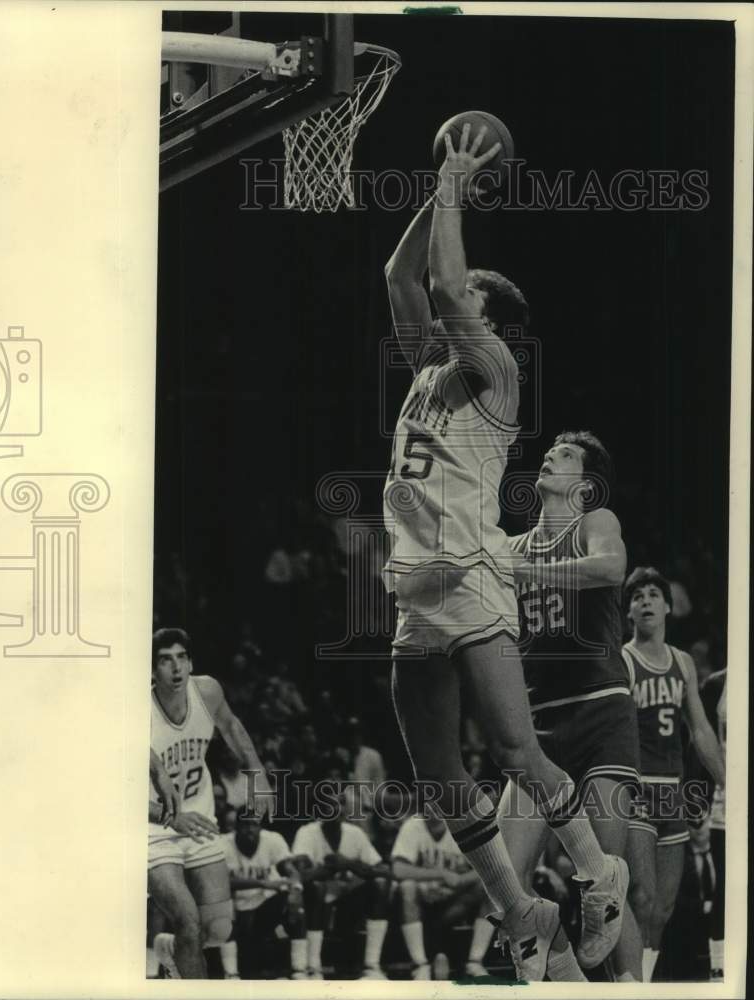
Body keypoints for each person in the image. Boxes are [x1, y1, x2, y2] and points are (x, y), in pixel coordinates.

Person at [382, 120, 628, 981]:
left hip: (479, 577)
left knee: (517, 755)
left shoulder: (497, 375)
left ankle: (600, 875)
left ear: (492, 322)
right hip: (416, 586)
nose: (459, 299)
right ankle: (521, 910)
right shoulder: (426, 369)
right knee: (442, 777)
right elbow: (401, 275)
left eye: (473, 300)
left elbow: (447, 285)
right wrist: (436, 187)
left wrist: (456, 181)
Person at [498, 431, 644, 981]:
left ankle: (629, 987)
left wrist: (525, 572)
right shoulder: (509, 547)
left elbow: (610, 570)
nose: (549, 455)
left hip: (600, 708)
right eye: (550, 450)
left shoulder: (594, 522)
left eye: (564, 455)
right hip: (536, 726)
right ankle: (570, 983)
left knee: (602, 876)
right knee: (506, 884)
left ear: (584, 486)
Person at [148, 627, 273, 979]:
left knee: (218, 930)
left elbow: (231, 727)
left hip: (199, 821)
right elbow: (119, 795)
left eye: (182, 658)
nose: (176, 668)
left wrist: (257, 772)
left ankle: (171, 951)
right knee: (187, 919)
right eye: (164, 660)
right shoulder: (136, 714)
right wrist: (172, 819)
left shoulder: (207, 691)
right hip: (151, 829)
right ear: (152, 671)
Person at [621, 569, 725, 983]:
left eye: (653, 595)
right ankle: (625, 982)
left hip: (673, 792)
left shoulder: (682, 662)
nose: (645, 601)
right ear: (628, 611)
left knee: (663, 906)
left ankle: (641, 981)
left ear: (667, 606)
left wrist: (729, 782)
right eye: (637, 597)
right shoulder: (623, 660)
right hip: (636, 789)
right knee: (641, 898)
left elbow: (699, 731)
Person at [292, 792, 391, 979]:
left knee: (380, 885)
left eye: (337, 805)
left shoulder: (355, 833)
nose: (333, 810)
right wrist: (330, 868)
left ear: (344, 809)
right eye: (327, 806)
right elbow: (301, 875)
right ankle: (313, 967)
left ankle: (372, 965)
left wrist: (349, 863)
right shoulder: (306, 833)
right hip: (316, 902)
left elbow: (384, 871)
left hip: (348, 902)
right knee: (316, 888)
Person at [391, 804, 493, 980]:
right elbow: (398, 869)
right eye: (428, 803)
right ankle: (420, 966)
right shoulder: (412, 825)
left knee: (490, 888)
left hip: (453, 904)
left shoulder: (462, 826)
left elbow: (488, 866)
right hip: (420, 905)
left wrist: (461, 880)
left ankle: (475, 962)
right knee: (407, 887)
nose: (434, 809)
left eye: (439, 803)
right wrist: (441, 874)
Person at [220, 809, 307, 980]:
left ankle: (300, 970)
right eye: (245, 825)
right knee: (222, 904)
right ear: (236, 827)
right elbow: (219, 882)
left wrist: (295, 890)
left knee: (295, 903)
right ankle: (231, 973)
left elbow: (290, 871)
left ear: (261, 827)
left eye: (254, 825)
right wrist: (263, 883)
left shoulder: (273, 840)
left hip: (263, 908)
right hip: (236, 911)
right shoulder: (221, 844)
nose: (250, 829)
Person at [699, 667, 727, 981]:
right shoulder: (718, 685)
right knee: (724, 888)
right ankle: (717, 967)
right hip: (725, 806)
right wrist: (700, 805)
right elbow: (701, 748)